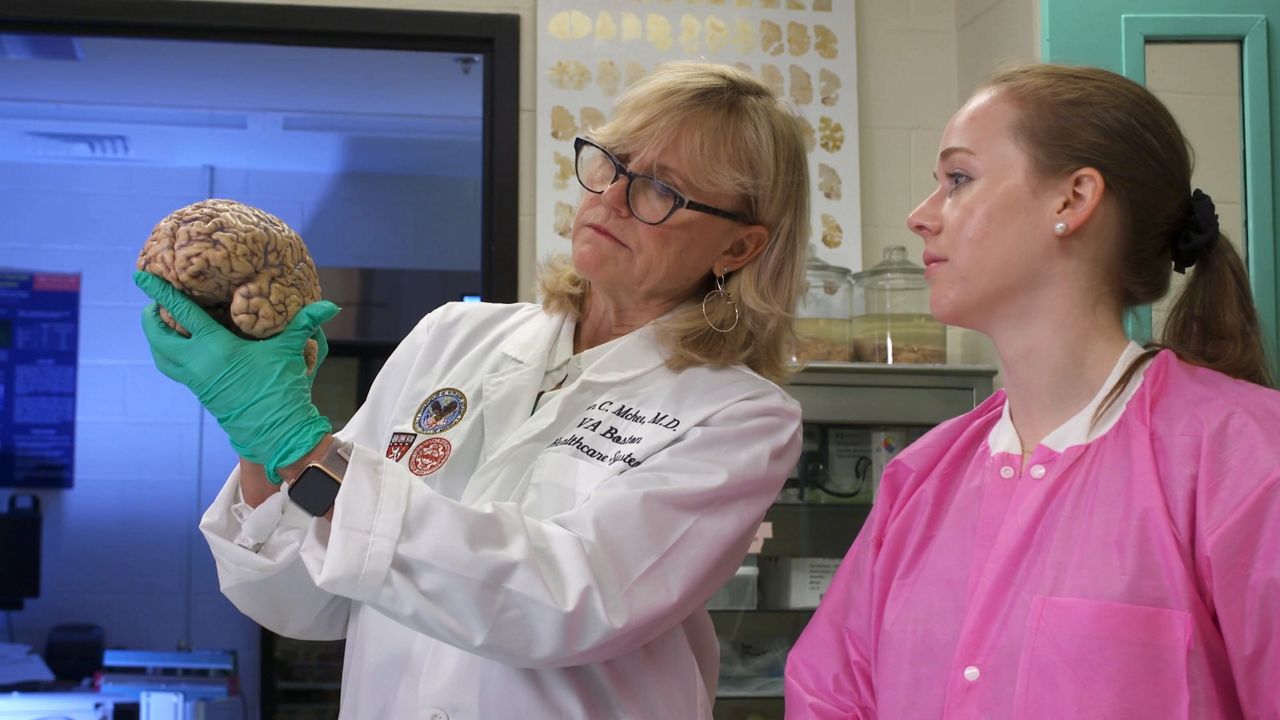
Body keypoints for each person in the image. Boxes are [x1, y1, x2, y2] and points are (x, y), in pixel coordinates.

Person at [135, 61, 810, 719]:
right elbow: (310, 598)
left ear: (738, 248)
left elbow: (569, 602)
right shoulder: (452, 335)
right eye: (613, 161)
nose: (609, 196)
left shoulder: (739, 418)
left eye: (660, 188)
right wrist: (259, 438)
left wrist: (296, 440)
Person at [785, 62, 1280, 719]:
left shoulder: (1244, 456)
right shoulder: (921, 478)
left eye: (958, 179)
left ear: (1072, 200)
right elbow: (829, 694)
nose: (920, 217)